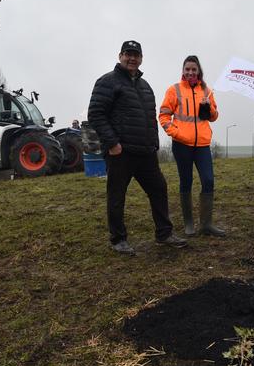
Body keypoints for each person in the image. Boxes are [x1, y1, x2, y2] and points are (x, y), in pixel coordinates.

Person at [88, 40, 188, 255]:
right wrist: (112, 143)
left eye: (136, 55)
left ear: (141, 58)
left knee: (159, 189)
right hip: (120, 152)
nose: (132, 58)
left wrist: (154, 144)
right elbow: (96, 114)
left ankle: (164, 233)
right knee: (117, 196)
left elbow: (150, 118)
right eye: (128, 54)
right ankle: (118, 239)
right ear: (120, 56)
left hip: (145, 152)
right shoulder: (107, 82)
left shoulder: (145, 86)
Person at [159, 55, 225, 237]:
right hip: (181, 145)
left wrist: (208, 107)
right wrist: (176, 133)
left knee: (208, 181)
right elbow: (163, 116)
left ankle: (206, 224)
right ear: (183, 71)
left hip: (202, 144)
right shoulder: (174, 90)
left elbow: (213, 116)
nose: (190, 72)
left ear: (198, 71)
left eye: (193, 69)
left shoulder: (207, 91)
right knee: (186, 181)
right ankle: (189, 223)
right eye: (187, 69)